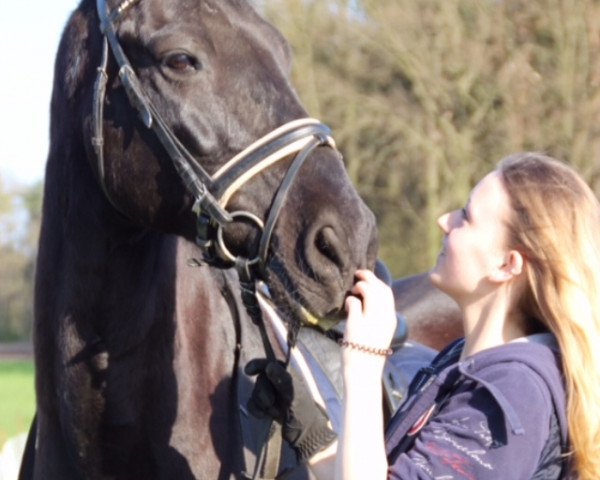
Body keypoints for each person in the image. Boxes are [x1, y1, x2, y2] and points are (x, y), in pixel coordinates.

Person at [246, 152, 600, 480]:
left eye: (467, 216)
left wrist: (365, 361)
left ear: (507, 265)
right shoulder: (466, 361)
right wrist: (314, 438)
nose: (444, 221)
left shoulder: (508, 396)